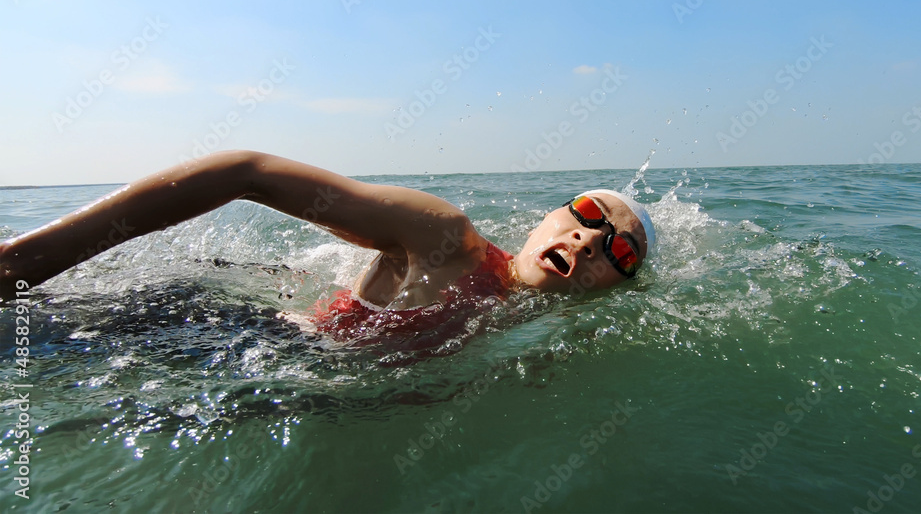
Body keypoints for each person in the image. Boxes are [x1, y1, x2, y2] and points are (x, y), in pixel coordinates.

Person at [0, 151, 655, 342]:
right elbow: (246, 172)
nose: (590, 239)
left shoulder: (535, 335)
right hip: (209, 337)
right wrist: (24, 262)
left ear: (617, 285)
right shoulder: (445, 235)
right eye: (590, 214)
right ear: (548, 217)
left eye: (619, 251)